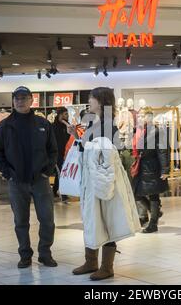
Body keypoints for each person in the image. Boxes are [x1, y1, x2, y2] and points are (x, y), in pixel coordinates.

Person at [68, 87, 140, 281]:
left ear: (101, 101)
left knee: (107, 220)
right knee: (93, 218)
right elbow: (90, 148)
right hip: (94, 179)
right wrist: (76, 136)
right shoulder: (96, 122)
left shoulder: (108, 124)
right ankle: (91, 261)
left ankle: (106, 267)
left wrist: (83, 141)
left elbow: (106, 152)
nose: (88, 101)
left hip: (105, 180)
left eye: (91, 98)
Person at [0, 86, 58, 269]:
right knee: (21, 221)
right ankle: (25, 255)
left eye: (24, 98)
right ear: (13, 101)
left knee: (47, 220)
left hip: (40, 180)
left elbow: (53, 151)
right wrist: (8, 173)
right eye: (17, 98)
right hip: (16, 181)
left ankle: (45, 253)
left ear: (31, 100)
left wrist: (47, 170)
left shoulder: (43, 124)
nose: (20, 101)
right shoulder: (4, 126)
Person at [132, 107, 169, 233]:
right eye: (139, 116)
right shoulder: (143, 131)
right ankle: (155, 213)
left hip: (152, 166)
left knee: (153, 195)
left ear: (149, 117)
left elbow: (162, 151)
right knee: (136, 193)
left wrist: (165, 170)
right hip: (143, 165)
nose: (140, 118)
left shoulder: (157, 131)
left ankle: (153, 224)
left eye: (143, 116)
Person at [52, 107, 70, 200]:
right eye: (65, 114)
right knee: (61, 172)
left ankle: (54, 191)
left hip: (66, 153)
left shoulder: (67, 125)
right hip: (57, 153)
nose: (67, 116)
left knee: (61, 172)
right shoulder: (53, 126)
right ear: (60, 114)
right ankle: (64, 194)